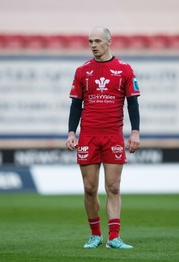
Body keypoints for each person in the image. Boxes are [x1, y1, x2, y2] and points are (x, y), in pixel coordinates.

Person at [66, 26, 140, 249]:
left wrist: (135, 132)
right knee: (89, 188)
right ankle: (95, 235)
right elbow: (75, 105)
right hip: (88, 135)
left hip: (113, 136)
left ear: (109, 42)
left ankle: (114, 237)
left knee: (114, 187)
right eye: (90, 41)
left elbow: (133, 103)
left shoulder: (124, 69)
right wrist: (71, 132)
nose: (93, 45)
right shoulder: (82, 71)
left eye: (97, 41)